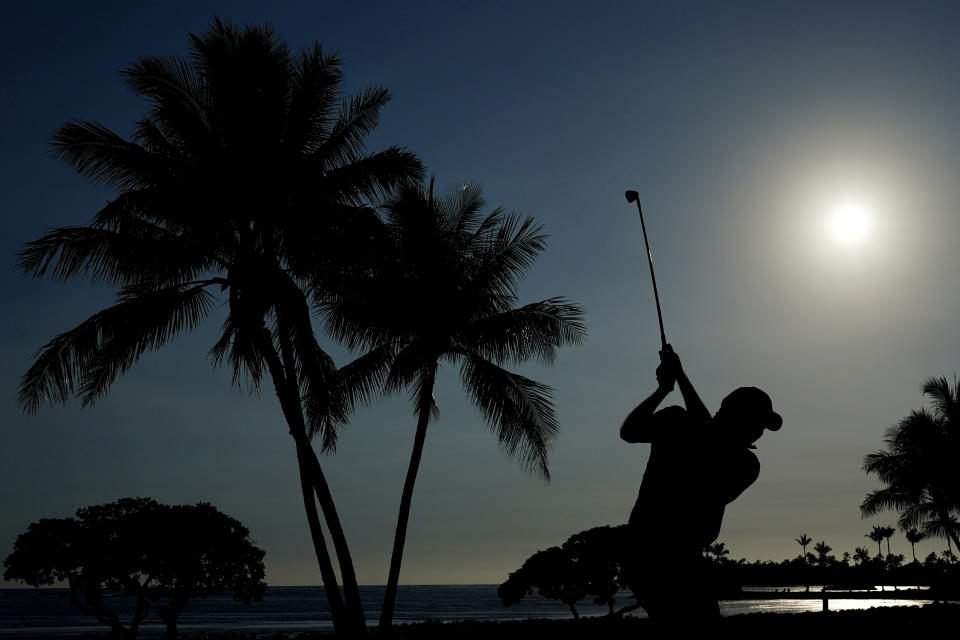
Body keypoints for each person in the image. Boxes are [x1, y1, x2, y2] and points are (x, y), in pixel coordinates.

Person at [620, 345, 781, 621]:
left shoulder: (744, 463)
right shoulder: (678, 421)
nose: (759, 432)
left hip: (670, 558)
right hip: (657, 556)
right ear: (738, 419)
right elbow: (630, 432)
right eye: (757, 424)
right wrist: (665, 388)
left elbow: (710, 443)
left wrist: (678, 379)